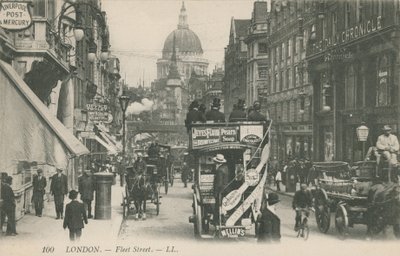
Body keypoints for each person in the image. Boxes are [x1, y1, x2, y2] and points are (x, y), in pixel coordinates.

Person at [213, 154, 229, 225]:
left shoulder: (219, 170)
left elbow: (218, 183)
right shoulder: (226, 168)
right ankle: (224, 219)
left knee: (218, 206)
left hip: (221, 191)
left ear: (217, 162)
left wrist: (215, 193)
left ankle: (217, 222)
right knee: (225, 205)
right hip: (226, 190)